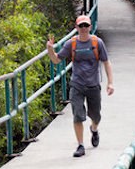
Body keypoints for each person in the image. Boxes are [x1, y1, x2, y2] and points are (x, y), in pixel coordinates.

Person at [46, 15, 114, 157]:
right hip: (77, 84)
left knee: (96, 116)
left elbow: (106, 62)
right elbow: (56, 60)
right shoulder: (72, 44)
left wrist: (110, 83)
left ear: (90, 27)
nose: (83, 29)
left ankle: (94, 130)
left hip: (93, 84)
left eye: (86, 26)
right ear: (76, 28)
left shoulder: (97, 42)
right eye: (80, 26)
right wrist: (50, 49)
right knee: (77, 115)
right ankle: (80, 145)